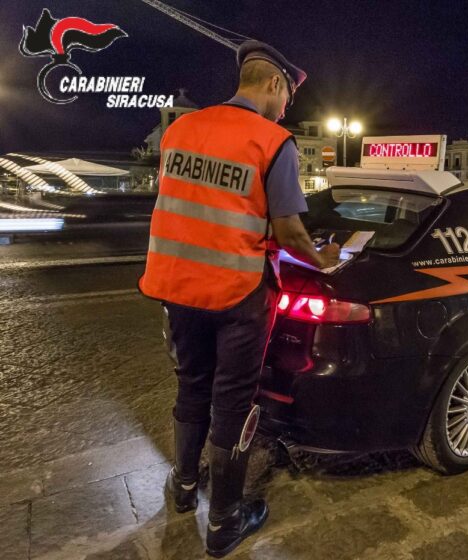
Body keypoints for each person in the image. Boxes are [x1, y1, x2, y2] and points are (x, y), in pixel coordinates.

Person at [138, 40, 339, 558]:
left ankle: (183, 488)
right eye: (287, 100)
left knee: (191, 385)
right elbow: (291, 230)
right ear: (274, 84)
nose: (285, 110)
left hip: (176, 286)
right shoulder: (272, 141)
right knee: (233, 400)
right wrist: (327, 259)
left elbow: (198, 204)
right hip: (236, 294)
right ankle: (225, 521)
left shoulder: (179, 130)